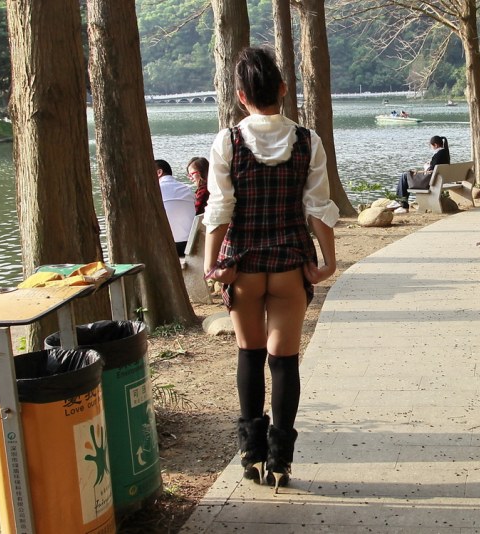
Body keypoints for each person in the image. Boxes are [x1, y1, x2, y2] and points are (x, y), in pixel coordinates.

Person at [203, 46, 338, 492]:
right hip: (289, 264)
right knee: (284, 362)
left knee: (249, 354)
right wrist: (328, 261)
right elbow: (317, 205)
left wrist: (212, 264)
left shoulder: (228, 141)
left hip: (243, 265)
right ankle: (281, 462)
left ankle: (251, 457)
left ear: (241, 96)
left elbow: (220, 208)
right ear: (282, 89)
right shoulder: (307, 141)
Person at [394, 135, 450, 214]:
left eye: (431, 146)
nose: (431, 148)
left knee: (404, 176)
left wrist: (426, 166)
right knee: (406, 176)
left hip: (431, 182)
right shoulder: (445, 153)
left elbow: (430, 171)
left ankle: (403, 205)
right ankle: (400, 202)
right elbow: (435, 168)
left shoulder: (438, 155)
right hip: (437, 180)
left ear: (435, 145)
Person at [156, 159, 195, 257]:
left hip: (165, 247)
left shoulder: (155, 191)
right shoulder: (188, 190)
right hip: (189, 246)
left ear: (159, 172)